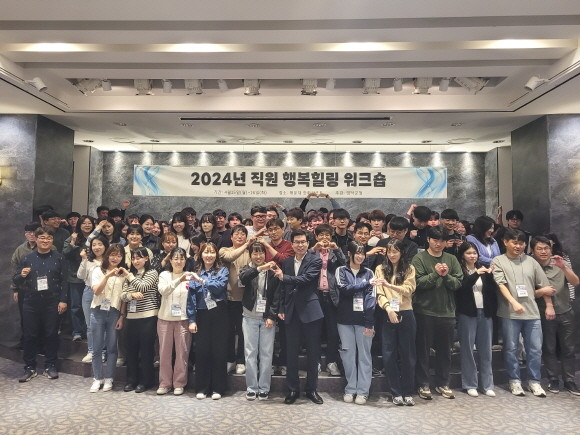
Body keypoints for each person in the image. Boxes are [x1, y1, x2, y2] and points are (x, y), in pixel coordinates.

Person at [492, 229, 553, 397]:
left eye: (521, 243)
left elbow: (544, 285)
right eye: (514, 242)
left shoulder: (531, 261)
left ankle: (534, 381)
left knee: (535, 349)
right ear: (505, 242)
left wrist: (549, 305)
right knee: (511, 348)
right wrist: (513, 302)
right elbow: (501, 285)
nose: (518, 246)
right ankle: (514, 381)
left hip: (532, 313)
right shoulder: (498, 261)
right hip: (509, 313)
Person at [273, 230, 324, 405]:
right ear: (292, 244)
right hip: (291, 311)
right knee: (291, 352)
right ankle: (293, 389)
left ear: (308, 244)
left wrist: (284, 277)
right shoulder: (287, 262)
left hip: (310, 311)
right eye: (297, 242)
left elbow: (306, 279)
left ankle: (312, 389)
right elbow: (283, 288)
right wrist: (281, 307)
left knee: (313, 353)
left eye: (303, 242)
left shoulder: (315, 260)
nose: (300, 245)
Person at [412, 226, 463, 400]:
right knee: (423, 351)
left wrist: (446, 275)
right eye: (435, 240)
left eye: (442, 241)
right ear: (428, 240)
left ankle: (443, 383)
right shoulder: (419, 258)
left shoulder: (451, 259)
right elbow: (418, 283)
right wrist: (435, 274)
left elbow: (457, 283)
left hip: (447, 313)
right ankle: (423, 384)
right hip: (424, 311)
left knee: (445, 352)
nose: (438, 244)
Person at [13, 226, 68, 382]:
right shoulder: (27, 258)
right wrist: (21, 275)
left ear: (52, 240)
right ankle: (29, 367)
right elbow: (16, 280)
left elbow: (64, 281)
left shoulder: (59, 258)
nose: (45, 241)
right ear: (35, 239)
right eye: (42, 238)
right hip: (30, 302)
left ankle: (50, 365)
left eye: (49, 238)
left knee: (51, 334)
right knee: (29, 335)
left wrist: (63, 300)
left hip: (52, 302)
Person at [531, 236, 580, 395]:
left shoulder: (559, 263)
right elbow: (527, 293)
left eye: (546, 248)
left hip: (566, 311)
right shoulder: (531, 267)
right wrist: (541, 292)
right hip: (544, 314)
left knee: (569, 349)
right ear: (533, 251)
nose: (543, 251)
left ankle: (569, 380)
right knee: (549, 348)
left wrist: (564, 267)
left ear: (551, 249)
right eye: (539, 249)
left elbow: (575, 282)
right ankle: (553, 379)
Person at [333, 241, 378, 405]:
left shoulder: (369, 273)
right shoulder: (340, 270)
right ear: (349, 254)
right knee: (348, 356)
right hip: (344, 320)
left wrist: (369, 323)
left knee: (365, 356)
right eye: (357, 253)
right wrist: (365, 284)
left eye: (362, 253)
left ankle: (363, 391)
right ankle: (350, 388)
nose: (360, 256)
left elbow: (371, 298)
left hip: (364, 321)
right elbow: (344, 289)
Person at [375, 239, 417, 406]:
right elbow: (379, 293)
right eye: (389, 251)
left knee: (408, 354)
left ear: (402, 252)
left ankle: (408, 391)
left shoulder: (409, 268)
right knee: (389, 354)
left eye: (395, 251)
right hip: (388, 313)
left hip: (406, 312)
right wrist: (389, 309)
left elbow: (408, 290)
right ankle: (396, 392)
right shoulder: (380, 268)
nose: (392, 255)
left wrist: (389, 285)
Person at [186, 242, 229, 400]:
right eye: (206, 252)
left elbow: (219, 287)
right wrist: (192, 319)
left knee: (219, 350)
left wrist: (203, 281)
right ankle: (202, 387)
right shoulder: (196, 272)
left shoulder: (222, 270)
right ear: (201, 255)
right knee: (202, 351)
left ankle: (218, 388)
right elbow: (191, 298)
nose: (209, 255)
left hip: (219, 313)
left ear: (216, 255)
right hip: (202, 314)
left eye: (212, 252)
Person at [455, 242, 498, 397]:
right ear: (462, 255)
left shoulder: (483, 269)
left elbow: (491, 292)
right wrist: (475, 275)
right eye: (469, 253)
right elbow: (460, 288)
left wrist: (490, 275)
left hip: (485, 313)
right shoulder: (459, 269)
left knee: (486, 350)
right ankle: (470, 384)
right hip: (467, 313)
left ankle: (487, 385)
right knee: (467, 349)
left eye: (474, 253)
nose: (472, 256)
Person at [239, 242, 281, 400]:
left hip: (266, 318)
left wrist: (272, 316)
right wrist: (259, 268)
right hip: (249, 316)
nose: (258, 256)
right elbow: (243, 279)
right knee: (250, 353)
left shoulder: (272, 270)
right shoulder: (247, 269)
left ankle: (264, 387)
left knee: (266, 353)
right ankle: (251, 387)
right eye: (255, 253)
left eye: (261, 253)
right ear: (250, 255)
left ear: (265, 254)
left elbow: (277, 295)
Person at [89, 243, 128, 392]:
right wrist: (107, 276)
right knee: (97, 347)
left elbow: (123, 299)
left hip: (114, 312)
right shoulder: (98, 270)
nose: (115, 258)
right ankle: (97, 378)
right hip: (98, 311)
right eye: (112, 254)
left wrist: (122, 316)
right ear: (107, 255)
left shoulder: (124, 274)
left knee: (112, 347)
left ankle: (109, 378)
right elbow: (97, 291)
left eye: (119, 255)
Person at [120, 247, 159, 393]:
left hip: (148, 316)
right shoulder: (130, 275)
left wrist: (130, 277)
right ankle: (131, 380)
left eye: (139, 258)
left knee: (146, 350)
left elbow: (143, 287)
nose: (135, 261)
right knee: (131, 350)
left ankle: (146, 381)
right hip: (131, 317)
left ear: (146, 259)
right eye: (133, 258)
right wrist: (131, 295)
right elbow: (123, 295)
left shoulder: (152, 273)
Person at [156, 247, 192, 396]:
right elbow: (163, 291)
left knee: (182, 353)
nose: (179, 261)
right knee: (164, 353)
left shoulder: (190, 275)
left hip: (183, 319)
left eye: (182, 258)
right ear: (170, 260)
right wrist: (179, 280)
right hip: (165, 319)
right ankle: (164, 383)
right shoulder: (164, 275)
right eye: (175, 258)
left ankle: (179, 383)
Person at [311, 224, 346, 377]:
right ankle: (316, 361)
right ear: (316, 237)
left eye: (327, 235)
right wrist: (314, 249)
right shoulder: (312, 252)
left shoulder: (335, 252)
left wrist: (336, 249)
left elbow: (345, 264)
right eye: (321, 235)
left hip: (332, 296)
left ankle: (331, 362)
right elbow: (303, 262)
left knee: (333, 331)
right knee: (315, 331)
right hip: (315, 295)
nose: (324, 238)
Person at [219, 225, 254, 375]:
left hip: (245, 298)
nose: (240, 236)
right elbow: (229, 258)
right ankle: (230, 359)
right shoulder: (224, 250)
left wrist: (248, 246)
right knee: (227, 331)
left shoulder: (250, 252)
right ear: (231, 237)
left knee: (243, 331)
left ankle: (241, 360)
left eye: (243, 234)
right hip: (228, 298)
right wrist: (246, 244)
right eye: (237, 234)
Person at [77, 235, 110, 364]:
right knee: (90, 324)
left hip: (105, 293)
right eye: (94, 245)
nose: (97, 247)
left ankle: (102, 352)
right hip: (89, 292)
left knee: (103, 324)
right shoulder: (88, 260)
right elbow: (80, 275)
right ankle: (91, 351)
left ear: (105, 246)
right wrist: (83, 260)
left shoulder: (109, 260)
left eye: (100, 244)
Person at [63, 215, 95, 342]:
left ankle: (89, 330)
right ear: (79, 225)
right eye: (84, 223)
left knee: (90, 305)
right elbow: (65, 254)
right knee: (76, 306)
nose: (87, 225)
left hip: (92, 277)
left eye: (89, 223)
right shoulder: (73, 237)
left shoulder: (96, 238)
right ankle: (77, 331)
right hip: (75, 277)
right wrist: (73, 242)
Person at [10, 222, 42, 348]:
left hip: (42, 289)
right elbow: (14, 270)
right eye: (29, 232)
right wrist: (15, 289)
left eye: (34, 232)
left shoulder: (47, 246)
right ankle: (25, 342)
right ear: (25, 234)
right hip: (24, 288)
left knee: (41, 317)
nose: (31, 235)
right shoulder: (20, 249)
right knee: (25, 317)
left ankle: (40, 344)